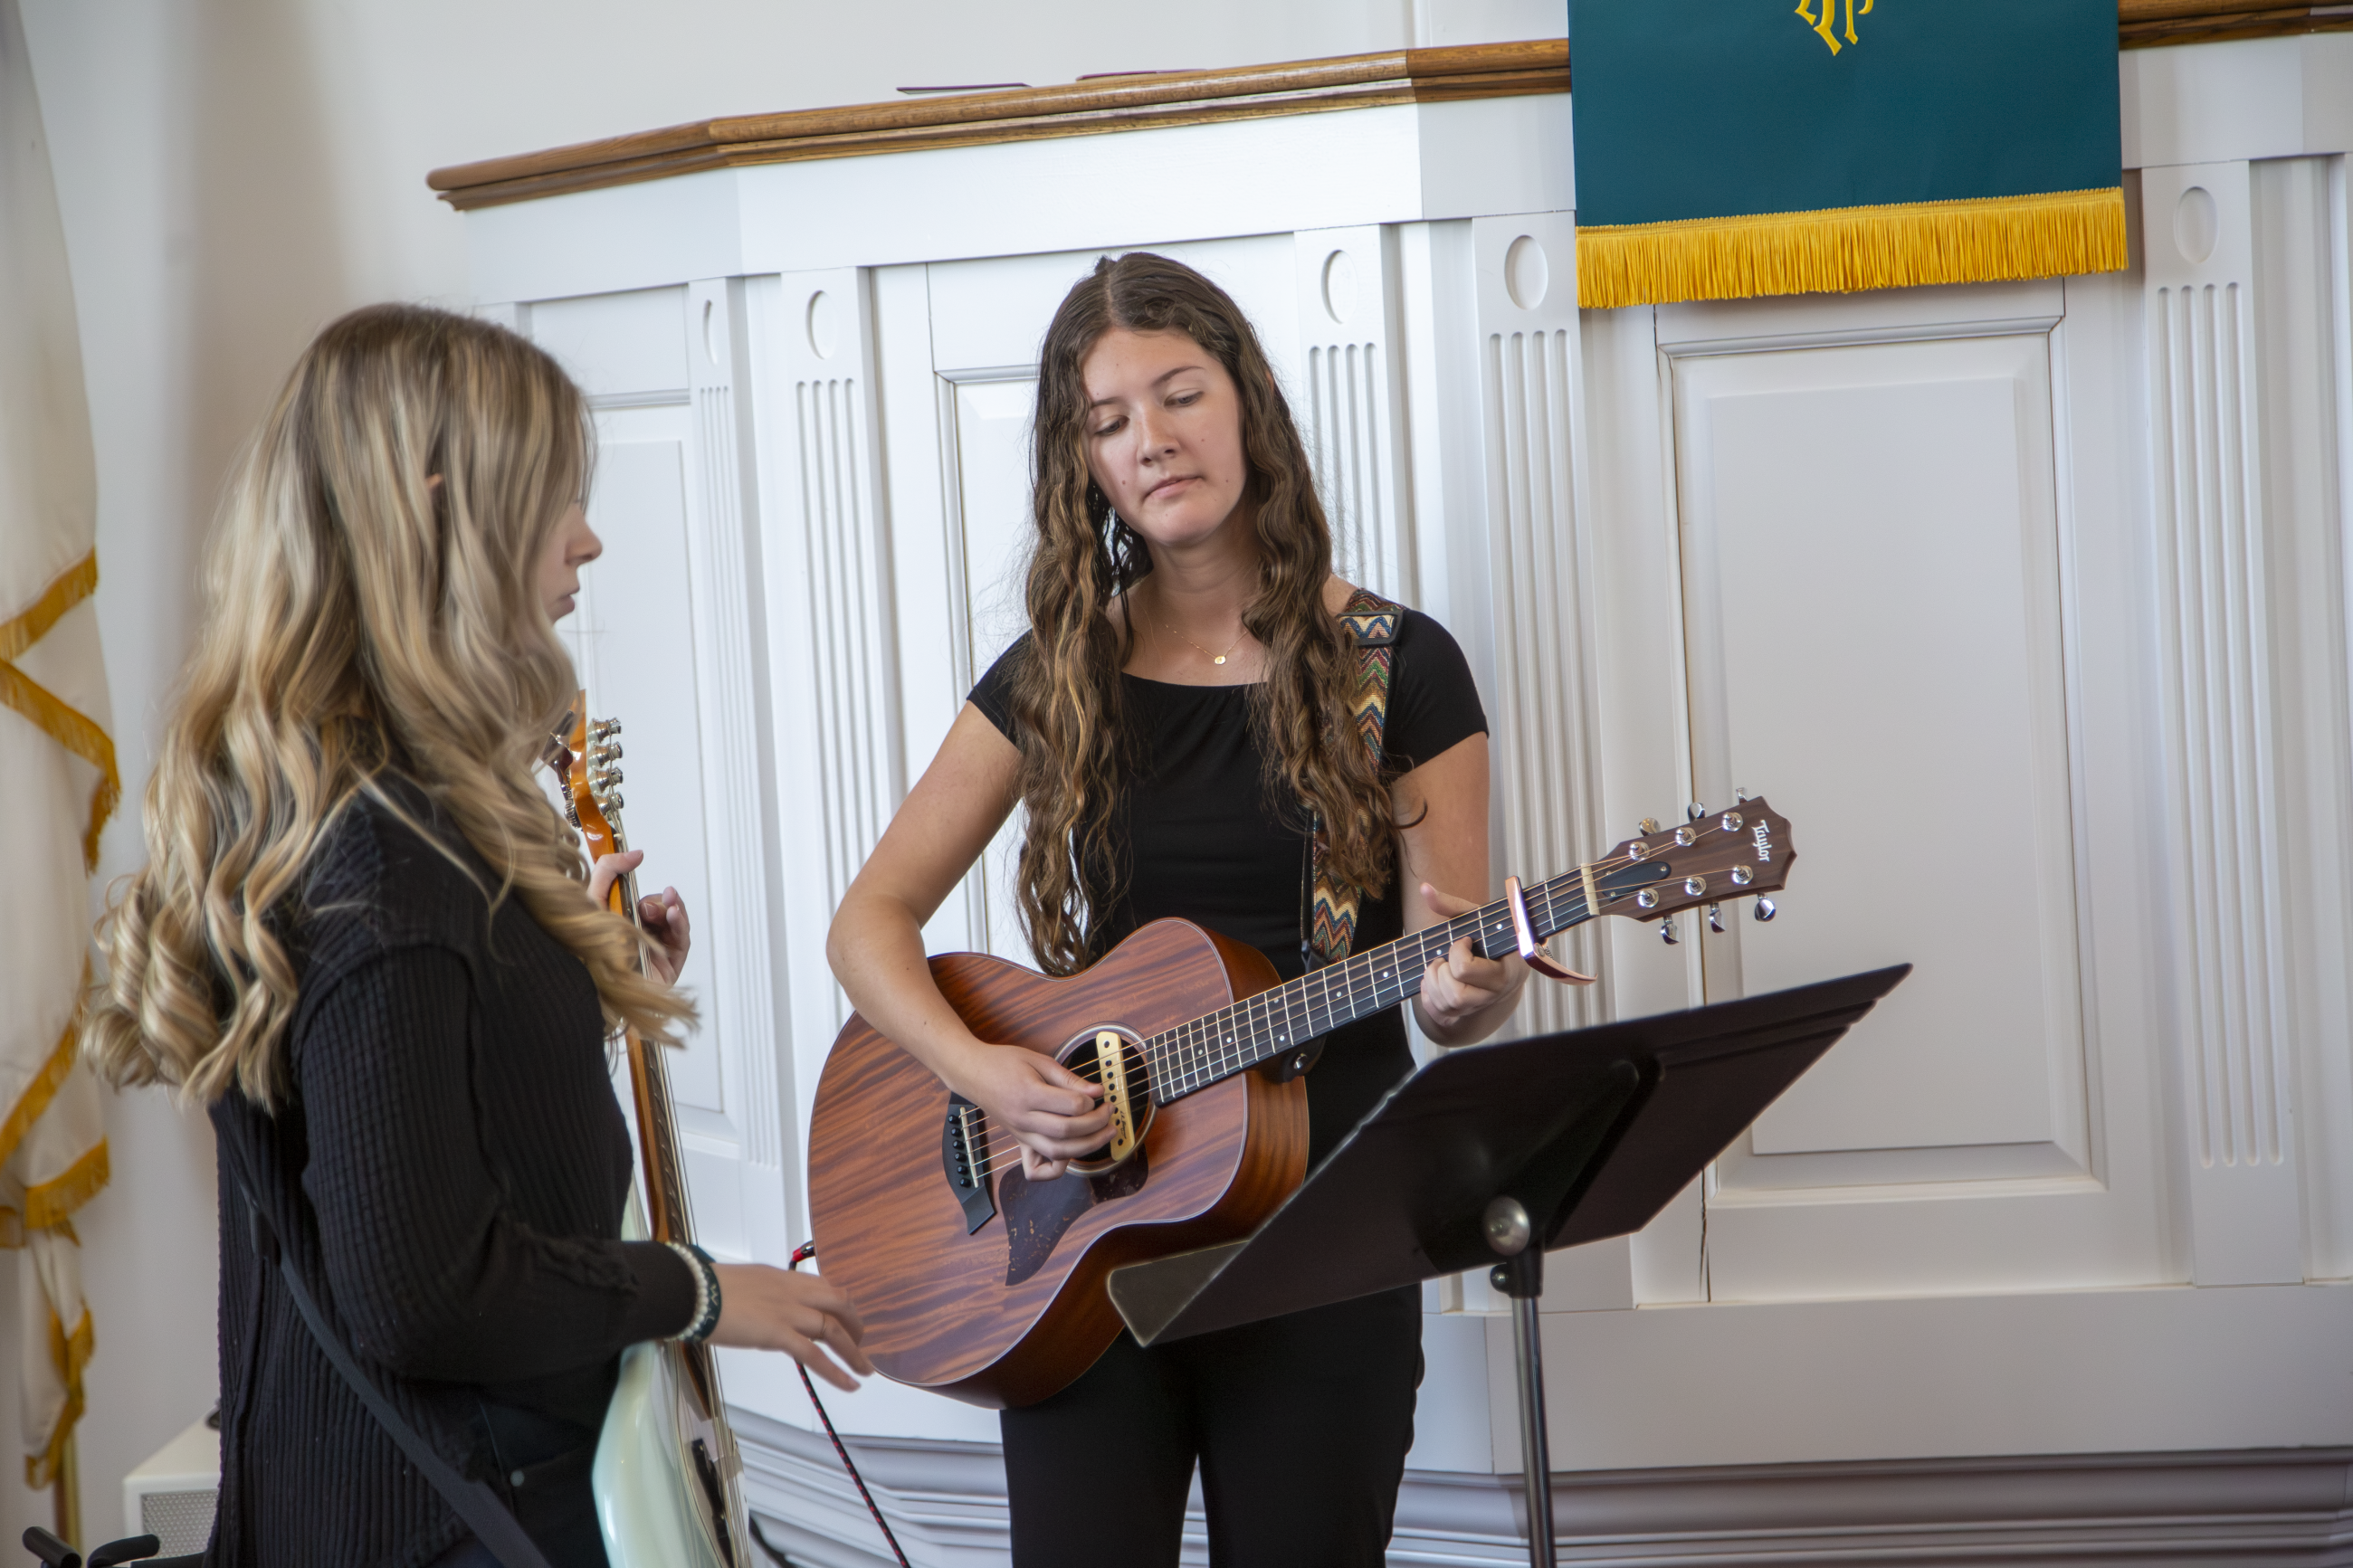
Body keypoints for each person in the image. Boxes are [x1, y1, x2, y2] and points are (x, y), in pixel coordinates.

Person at [88, 304, 872, 1567]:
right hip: (446, 1520)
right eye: (558, 494)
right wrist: (701, 1291)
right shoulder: (389, 863)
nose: (589, 538)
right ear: (448, 511)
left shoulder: (345, 809)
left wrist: (562, 991)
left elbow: (417, 1128)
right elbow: (425, 1298)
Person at [827, 252, 1533, 1567]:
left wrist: (1467, 994)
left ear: (1251, 400)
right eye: (1107, 423)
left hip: (1324, 1238)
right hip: (1087, 1241)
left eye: (1178, 395)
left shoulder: (1405, 669)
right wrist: (988, 1073)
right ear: (1083, 465)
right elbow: (867, 920)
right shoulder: (1056, 675)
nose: (1150, 442)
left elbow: (1457, 986)